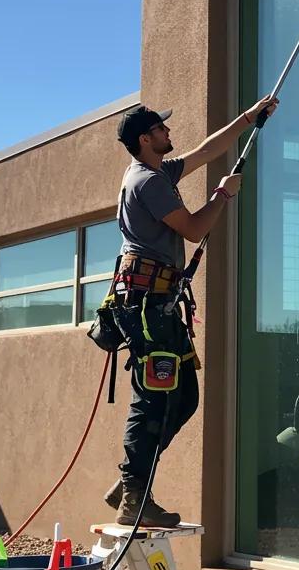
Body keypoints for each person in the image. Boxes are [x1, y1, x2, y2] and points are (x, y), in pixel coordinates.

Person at [104, 96, 279, 527]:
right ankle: (133, 497)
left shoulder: (158, 171)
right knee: (154, 400)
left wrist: (248, 118)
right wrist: (222, 194)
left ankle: (131, 482)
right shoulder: (147, 181)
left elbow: (206, 150)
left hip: (156, 305)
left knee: (183, 398)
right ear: (146, 139)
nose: (168, 132)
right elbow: (195, 228)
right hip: (147, 307)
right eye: (160, 130)